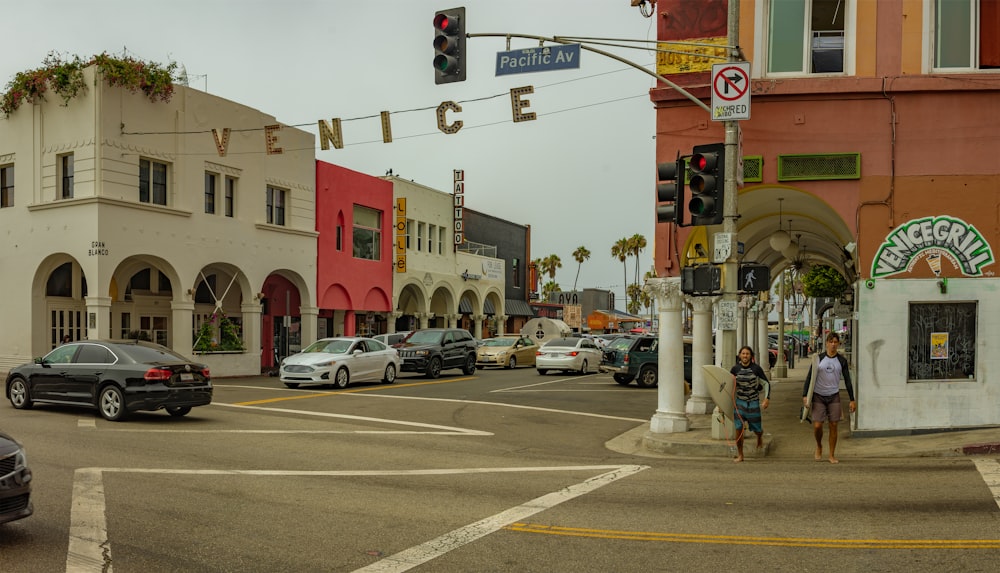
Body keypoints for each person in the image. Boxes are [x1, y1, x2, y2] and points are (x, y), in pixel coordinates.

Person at [802, 332, 856, 464]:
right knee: (817, 425)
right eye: (831, 342)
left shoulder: (841, 361)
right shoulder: (818, 359)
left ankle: (831, 454)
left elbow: (848, 380)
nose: (833, 344)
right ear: (826, 343)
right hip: (818, 395)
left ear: (838, 344)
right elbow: (810, 376)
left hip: (834, 396)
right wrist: (805, 395)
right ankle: (819, 445)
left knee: (833, 425)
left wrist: (852, 399)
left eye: (835, 342)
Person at [730, 346, 770, 463]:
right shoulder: (735, 369)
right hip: (739, 403)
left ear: (751, 356)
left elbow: (766, 384)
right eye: (743, 353)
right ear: (739, 355)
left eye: (747, 354)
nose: (745, 356)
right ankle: (741, 455)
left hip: (753, 402)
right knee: (738, 429)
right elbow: (727, 387)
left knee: (757, 429)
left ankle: (759, 436)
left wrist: (767, 398)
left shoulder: (756, 369)